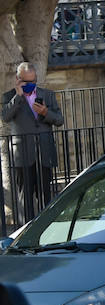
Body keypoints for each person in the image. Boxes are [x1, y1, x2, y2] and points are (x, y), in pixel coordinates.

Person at [1, 63, 64, 221]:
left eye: (33, 81)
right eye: (26, 82)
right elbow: (6, 117)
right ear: (18, 79)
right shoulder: (9, 96)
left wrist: (45, 112)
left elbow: (59, 120)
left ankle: (47, 228)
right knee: (25, 198)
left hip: (44, 152)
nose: (30, 85)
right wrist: (18, 96)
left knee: (46, 196)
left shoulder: (47, 95)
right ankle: (25, 231)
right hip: (23, 154)